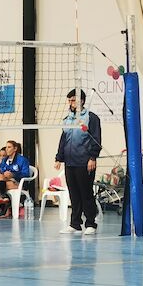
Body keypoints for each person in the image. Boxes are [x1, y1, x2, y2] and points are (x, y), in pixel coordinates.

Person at [55, 88, 101, 235]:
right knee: (73, 194)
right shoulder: (67, 119)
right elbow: (63, 140)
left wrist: (92, 157)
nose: (70, 103)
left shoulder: (91, 118)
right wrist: (59, 158)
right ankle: (75, 224)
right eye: (69, 100)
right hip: (70, 163)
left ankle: (91, 223)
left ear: (81, 101)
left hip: (85, 162)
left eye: (73, 100)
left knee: (86, 193)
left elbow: (96, 139)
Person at [0, 140, 31, 218]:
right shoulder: (4, 160)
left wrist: (13, 174)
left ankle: (2, 206)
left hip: (18, 182)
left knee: (1, 184)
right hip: (6, 181)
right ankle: (4, 198)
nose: (7, 149)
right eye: (6, 147)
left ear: (15, 149)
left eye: (9, 147)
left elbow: (26, 174)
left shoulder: (22, 160)